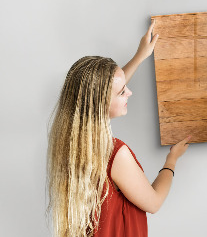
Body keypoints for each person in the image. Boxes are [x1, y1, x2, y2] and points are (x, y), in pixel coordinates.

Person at [47, 20, 191, 237]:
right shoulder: (115, 154)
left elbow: (104, 90)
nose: (129, 93)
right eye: (122, 92)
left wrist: (140, 55)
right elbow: (153, 202)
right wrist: (172, 159)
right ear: (101, 103)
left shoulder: (69, 141)